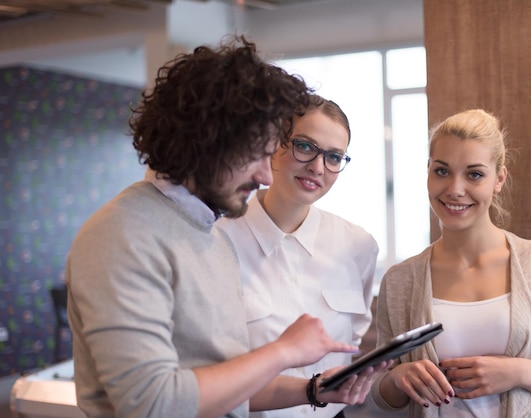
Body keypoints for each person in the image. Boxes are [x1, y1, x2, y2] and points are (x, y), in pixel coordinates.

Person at [65, 35, 389, 418]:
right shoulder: (120, 235)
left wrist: (311, 388)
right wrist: (283, 352)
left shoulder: (208, 234)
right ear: (211, 141)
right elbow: (152, 404)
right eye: (258, 154)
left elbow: (230, 385)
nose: (265, 175)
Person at [371, 109, 531, 417]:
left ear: (499, 179)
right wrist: (398, 379)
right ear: (427, 171)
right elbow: (378, 394)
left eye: (474, 174)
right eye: (441, 171)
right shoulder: (400, 280)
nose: (454, 188)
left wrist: (518, 372)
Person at [217, 94, 379, 418]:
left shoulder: (357, 245)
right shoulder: (218, 240)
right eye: (305, 147)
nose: (318, 167)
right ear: (274, 145)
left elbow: (357, 339)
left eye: (334, 157)